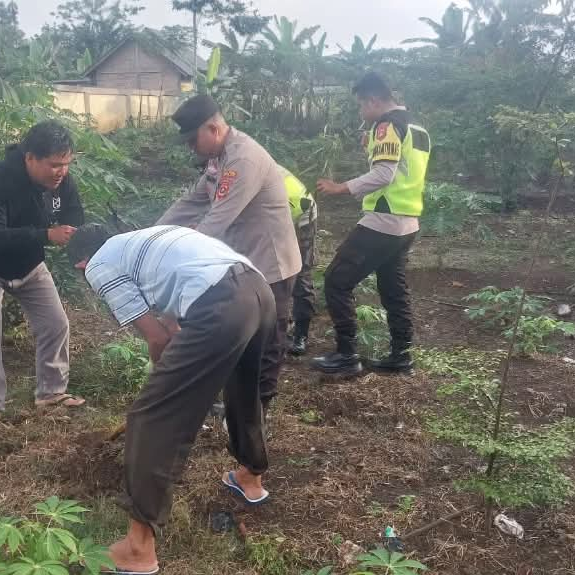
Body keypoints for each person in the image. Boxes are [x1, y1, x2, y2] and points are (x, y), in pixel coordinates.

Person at [67, 223, 275, 575]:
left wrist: (162, 384)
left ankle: (138, 548)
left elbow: (157, 336)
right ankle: (250, 477)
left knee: (151, 418)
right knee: (243, 389)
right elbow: (172, 324)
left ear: (81, 266)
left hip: (222, 303)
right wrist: (168, 368)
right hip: (257, 290)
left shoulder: (100, 264)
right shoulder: (140, 243)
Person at [157, 95, 301, 416]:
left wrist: (175, 251)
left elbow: (216, 221)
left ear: (213, 127)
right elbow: (192, 202)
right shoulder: (217, 158)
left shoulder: (243, 160)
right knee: (240, 332)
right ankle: (240, 403)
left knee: (268, 339)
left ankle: (259, 409)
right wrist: (152, 234)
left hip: (271, 262)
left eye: (193, 140)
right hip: (245, 263)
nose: (190, 147)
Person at [0, 121, 86, 438]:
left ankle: (51, 393)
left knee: (56, 324)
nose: (61, 172)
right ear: (30, 158)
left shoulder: (62, 182)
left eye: (66, 164)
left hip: (28, 266)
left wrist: (78, 245)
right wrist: (45, 234)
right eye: (54, 165)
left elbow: (75, 217)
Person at [312, 73, 430, 375]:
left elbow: (383, 175)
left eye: (361, 106)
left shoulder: (387, 125)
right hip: (408, 222)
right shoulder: (417, 127)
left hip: (383, 217)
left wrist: (341, 187)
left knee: (337, 279)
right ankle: (402, 355)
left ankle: (347, 355)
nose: (361, 113)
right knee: (393, 286)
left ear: (373, 100)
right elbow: (402, 167)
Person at [280, 166, 319, 356]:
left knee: (300, 272)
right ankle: (277, 326)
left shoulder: (246, 168)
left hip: (301, 213)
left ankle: (300, 335)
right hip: (280, 211)